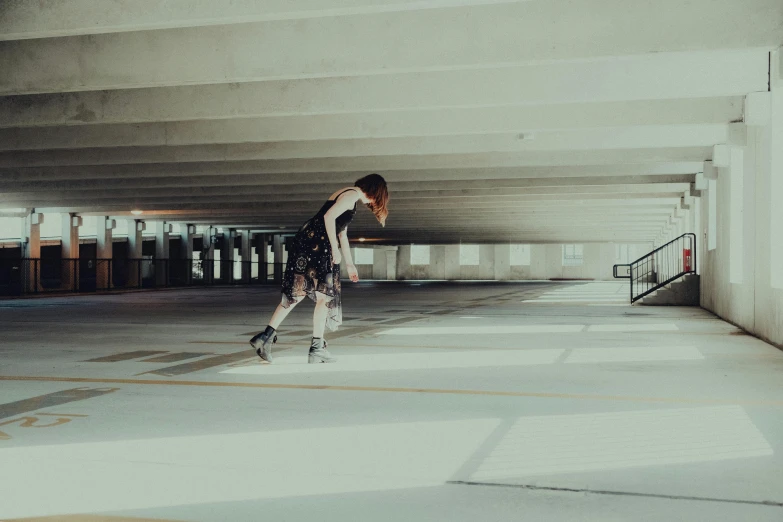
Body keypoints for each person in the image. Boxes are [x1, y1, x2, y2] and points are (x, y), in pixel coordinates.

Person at [250, 174, 389, 363]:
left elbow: (342, 233)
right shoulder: (351, 196)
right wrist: (333, 248)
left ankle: (265, 337)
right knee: (324, 297)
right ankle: (316, 348)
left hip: (309, 243)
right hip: (317, 246)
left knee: (297, 294)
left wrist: (349, 263)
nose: (373, 203)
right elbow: (328, 217)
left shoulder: (347, 194)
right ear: (375, 192)